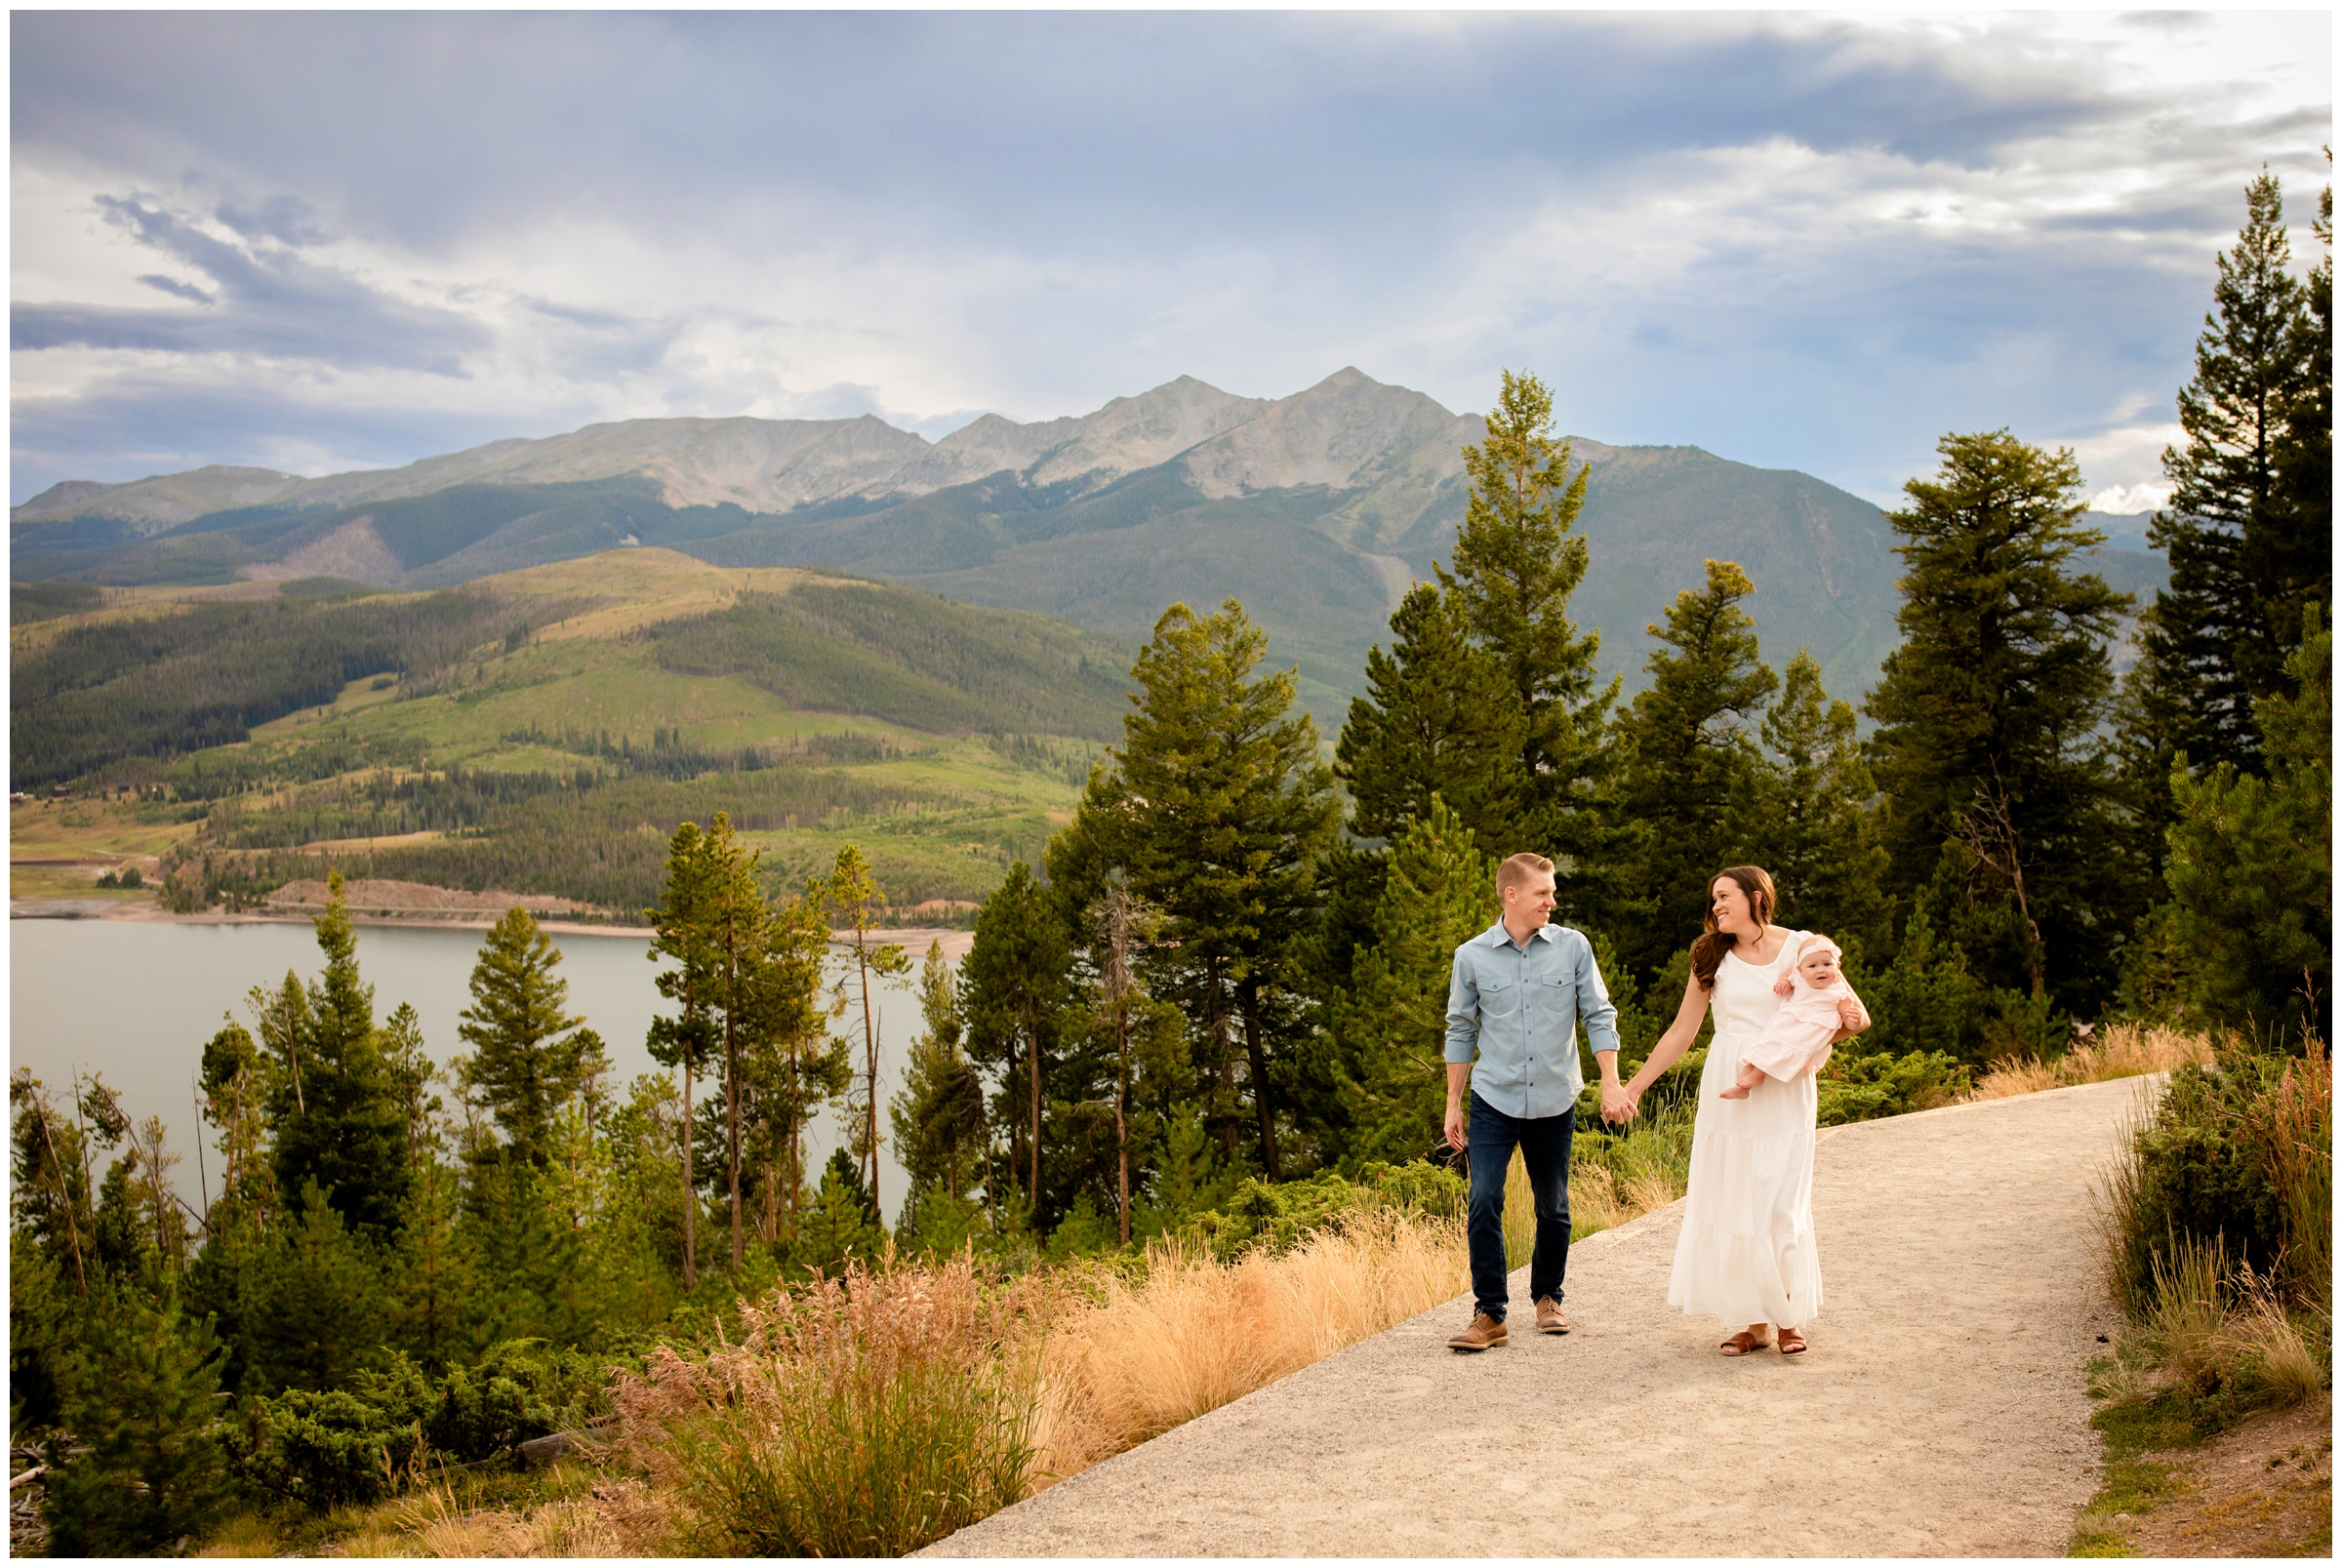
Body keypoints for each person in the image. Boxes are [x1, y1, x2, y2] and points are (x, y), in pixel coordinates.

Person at [1616, 866, 1867, 1357]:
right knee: (1737, 1199)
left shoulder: (1802, 946)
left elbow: (1853, 1014)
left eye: (1724, 897)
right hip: (1727, 1083)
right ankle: (1750, 1322)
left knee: (1781, 1201)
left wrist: (1798, 1048)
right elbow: (1682, 1031)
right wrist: (1635, 1087)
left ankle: (1788, 1318)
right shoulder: (1710, 954)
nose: (1715, 907)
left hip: (1786, 1087)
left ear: (1756, 897)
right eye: (1713, 899)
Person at [1440, 852, 1631, 1351]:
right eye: (1543, 892)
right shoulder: (1472, 956)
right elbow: (1460, 1030)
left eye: (1552, 892)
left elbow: (1598, 1013)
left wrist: (1610, 1080)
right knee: (1483, 1199)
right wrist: (1453, 1103)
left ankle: (1548, 1297)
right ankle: (1490, 1314)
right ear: (1512, 895)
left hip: (1554, 1100)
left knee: (1555, 1207)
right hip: (1493, 1100)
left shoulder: (1573, 948)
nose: (1552, 900)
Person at [1717, 935, 1869, 1100]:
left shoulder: (1839, 993)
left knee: (1780, 1050)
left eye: (1827, 964)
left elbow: (1850, 1022)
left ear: (1837, 966)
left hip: (1808, 1032)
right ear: (1800, 969)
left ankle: (1757, 1076)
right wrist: (1784, 982)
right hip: (1788, 1022)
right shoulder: (1799, 977)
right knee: (1760, 1049)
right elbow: (1786, 975)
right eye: (1812, 965)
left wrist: (1855, 1019)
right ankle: (1742, 1087)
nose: (1820, 970)